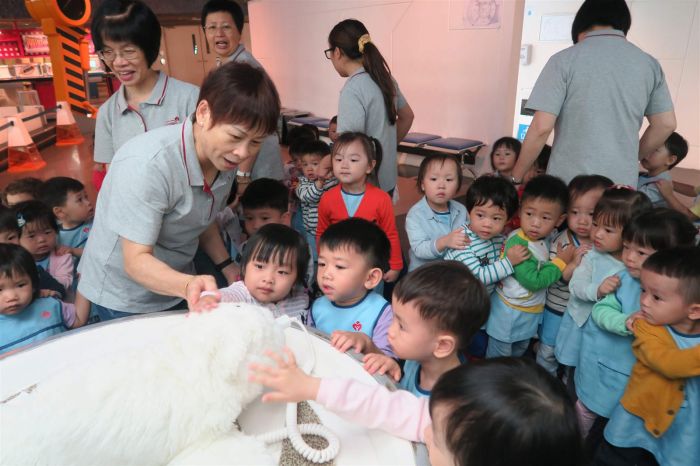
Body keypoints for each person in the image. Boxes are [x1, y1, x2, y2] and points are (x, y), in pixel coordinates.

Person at [78, 62, 280, 320]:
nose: (242, 153)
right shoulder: (148, 165)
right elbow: (135, 261)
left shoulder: (222, 157)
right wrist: (187, 285)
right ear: (204, 113)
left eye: (255, 142)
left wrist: (227, 266)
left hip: (177, 281)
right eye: (235, 136)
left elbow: (200, 217)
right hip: (125, 294)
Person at [249, 356, 582, 466]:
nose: (424, 430)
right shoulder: (458, 422)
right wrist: (314, 388)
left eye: (436, 439)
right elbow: (386, 406)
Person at [512, 0, 676, 187]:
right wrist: (631, 156)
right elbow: (666, 124)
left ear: (580, 24)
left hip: (570, 182)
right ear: (623, 23)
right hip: (621, 186)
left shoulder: (564, 60)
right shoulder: (648, 64)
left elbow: (541, 127)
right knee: (616, 209)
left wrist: (515, 177)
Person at [575, 209, 696, 448]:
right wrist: (625, 321)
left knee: (621, 424)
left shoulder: (686, 294)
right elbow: (600, 311)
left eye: (641, 252)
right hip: (605, 366)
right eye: (626, 247)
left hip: (638, 380)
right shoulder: (623, 279)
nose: (629, 257)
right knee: (588, 411)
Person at [596, 247, 700, 466]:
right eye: (643, 290)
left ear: (694, 311)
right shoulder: (646, 327)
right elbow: (669, 364)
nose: (643, 301)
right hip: (635, 424)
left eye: (656, 297)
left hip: (683, 432)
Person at [91, 0, 199, 186]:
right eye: (108, 52)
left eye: (128, 51)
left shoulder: (190, 98)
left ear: (149, 47)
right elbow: (114, 176)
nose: (118, 62)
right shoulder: (107, 114)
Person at [362, 261, 490, 397]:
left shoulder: (448, 403)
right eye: (394, 318)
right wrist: (394, 369)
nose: (390, 331)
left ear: (442, 345)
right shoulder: (418, 356)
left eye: (401, 326)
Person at [485, 175, 576, 358]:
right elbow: (534, 281)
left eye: (545, 217)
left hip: (529, 311)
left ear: (559, 220)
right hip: (509, 313)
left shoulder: (548, 238)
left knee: (518, 353)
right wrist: (560, 262)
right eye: (529, 214)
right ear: (520, 211)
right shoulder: (518, 245)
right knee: (498, 360)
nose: (535, 223)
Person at [201, 0, 285, 183]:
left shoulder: (244, 67)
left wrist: (243, 175)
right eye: (212, 27)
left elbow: (250, 126)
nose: (219, 34)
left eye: (226, 27)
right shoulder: (227, 63)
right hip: (243, 160)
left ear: (239, 31)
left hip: (256, 167)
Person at [326, 19, 414, 193]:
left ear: (337, 52)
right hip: (388, 179)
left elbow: (348, 147)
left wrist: (324, 164)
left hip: (364, 186)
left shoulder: (353, 89)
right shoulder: (385, 79)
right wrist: (385, 149)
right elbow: (407, 117)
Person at [536, 175, 612, 375]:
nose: (582, 221)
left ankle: (567, 382)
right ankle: (544, 379)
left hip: (584, 312)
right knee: (548, 349)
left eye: (592, 214)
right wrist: (572, 263)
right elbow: (559, 277)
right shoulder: (562, 242)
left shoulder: (603, 243)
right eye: (575, 212)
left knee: (575, 352)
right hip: (557, 308)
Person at [316, 132, 403, 282]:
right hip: (338, 268)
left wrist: (395, 265)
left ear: (370, 166)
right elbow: (322, 233)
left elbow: (390, 234)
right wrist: (323, 261)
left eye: (353, 160)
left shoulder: (382, 199)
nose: (344, 165)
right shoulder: (327, 198)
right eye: (338, 159)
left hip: (370, 267)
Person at [310, 218, 394, 357]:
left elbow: (389, 364)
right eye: (322, 264)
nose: (326, 274)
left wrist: (367, 344)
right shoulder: (317, 307)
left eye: (339, 266)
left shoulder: (383, 312)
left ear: (371, 278)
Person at [194, 224, 310, 320]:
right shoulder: (242, 294)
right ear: (244, 268)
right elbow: (223, 295)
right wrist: (209, 299)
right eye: (259, 266)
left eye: (282, 272)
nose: (268, 279)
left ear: (296, 280)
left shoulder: (299, 298)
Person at [0, 243, 89, 355]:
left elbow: (79, 319)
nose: (11, 297)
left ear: (33, 284)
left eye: (21, 285)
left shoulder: (50, 305)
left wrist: (85, 281)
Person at [405, 154, 468, 271]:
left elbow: (469, 236)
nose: (441, 185)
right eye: (434, 179)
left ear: (458, 185)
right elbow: (419, 249)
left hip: (454, 270)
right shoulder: (415, 215)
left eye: (448, 180)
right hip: (425, 273)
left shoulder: (461, 210)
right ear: (422, 185)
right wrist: (444, 242)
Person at [0, 207, 65, 298]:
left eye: (11, 237)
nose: (4, 244)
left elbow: (59, 290)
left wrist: (40, 294)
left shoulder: (27, 266)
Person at [15, 201, 74, 295]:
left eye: (47, 232)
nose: (41, 240)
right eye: (31, 236)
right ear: (17, 239)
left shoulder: (63, 256)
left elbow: (65, 282)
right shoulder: (16, 261)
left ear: (56, 232)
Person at [295, 140, 337, 262]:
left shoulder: (333, 180)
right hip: (312, 232)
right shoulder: (302, 183)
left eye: (315, 164)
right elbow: (309, 196)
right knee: (316, 259)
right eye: (305, 165)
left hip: (332, 229)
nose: (309, 169)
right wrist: (320, 182)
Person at [39, 177, 94, 262]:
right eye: (80, 200)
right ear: (60, 212)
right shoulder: (54, 237)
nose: (88, 203)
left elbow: (101, 252)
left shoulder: (96, 223)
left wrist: (74, 251)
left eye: (86, 197)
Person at [637, 132, 688, 207]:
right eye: (647, 147)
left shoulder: (660, 185)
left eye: (654, 150)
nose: (646, 152)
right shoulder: (645, 175)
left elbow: (631, 201)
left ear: (670, 160)